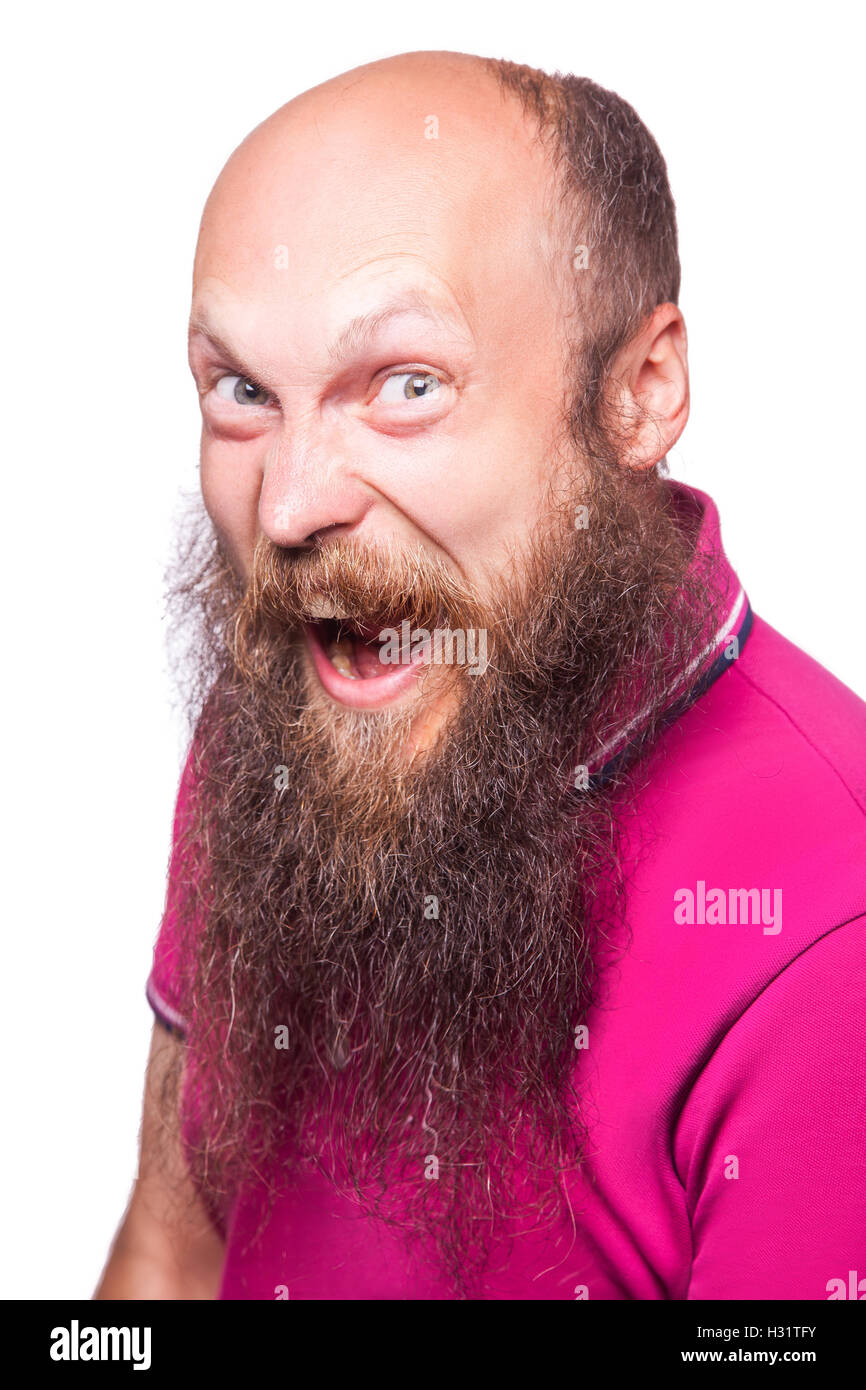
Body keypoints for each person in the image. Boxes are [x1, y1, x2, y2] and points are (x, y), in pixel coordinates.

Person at [95, 50, 866, 1301]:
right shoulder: (289, 711)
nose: (286, 511)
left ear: (638, 392)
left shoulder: (834, 936)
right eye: (242, 391)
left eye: (404, 388)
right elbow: (173, 1256)